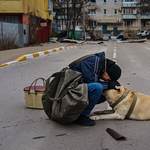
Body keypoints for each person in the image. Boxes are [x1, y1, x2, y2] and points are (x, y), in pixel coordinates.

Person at [71, 51, 121, 126]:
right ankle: (81, 116)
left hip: (76, 88)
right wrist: (108, 85)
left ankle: (78, 110)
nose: (105, 80)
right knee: (98, 87)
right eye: (108, 79)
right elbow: (91, 82)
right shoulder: (95, 61)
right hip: (69, 90)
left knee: (104, 93)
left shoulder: (99, 64)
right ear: (107, 72)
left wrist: (108, 86)